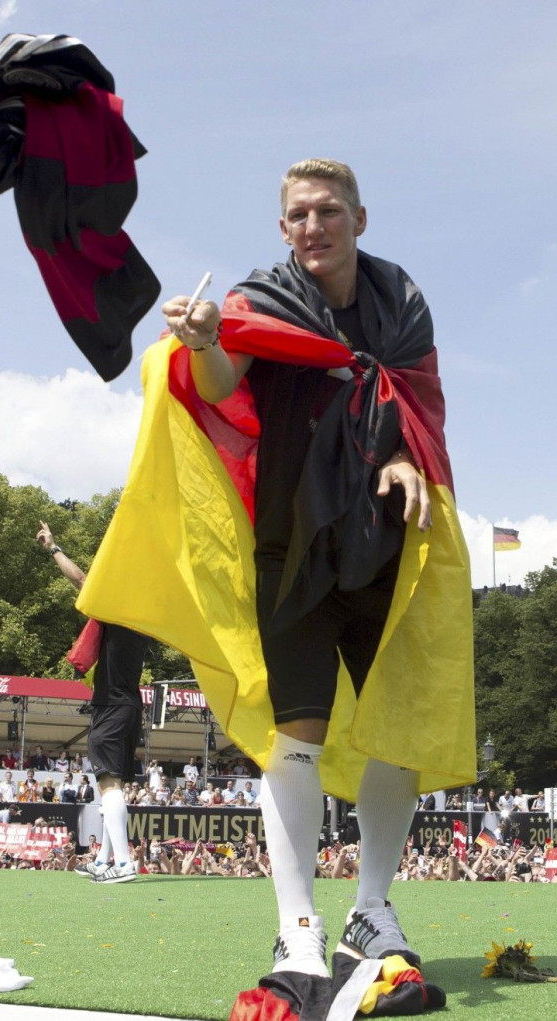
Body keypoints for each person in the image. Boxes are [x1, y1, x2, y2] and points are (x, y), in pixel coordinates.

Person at [161, 157, 472, 980]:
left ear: (359, 219)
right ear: (282, 227)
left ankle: (371, 911)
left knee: (395, 728)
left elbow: (416, 402)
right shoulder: (260, 299)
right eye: (298, 214)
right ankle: (296, 925)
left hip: (384, 545)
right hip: (290, 544)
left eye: (328, 211)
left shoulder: (400, 299)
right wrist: (204, 341)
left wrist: (405, 459)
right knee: (293, 738)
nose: (313, 226)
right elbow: (226, 379)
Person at [37, 520, 148, 885]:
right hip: (129, 705)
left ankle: (125, 864)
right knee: (109, 785)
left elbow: (81, 580)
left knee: (108, 785)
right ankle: (104, 861)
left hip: (113, 707)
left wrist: (53, 548)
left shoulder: (117, 614)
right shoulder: (141, 619)